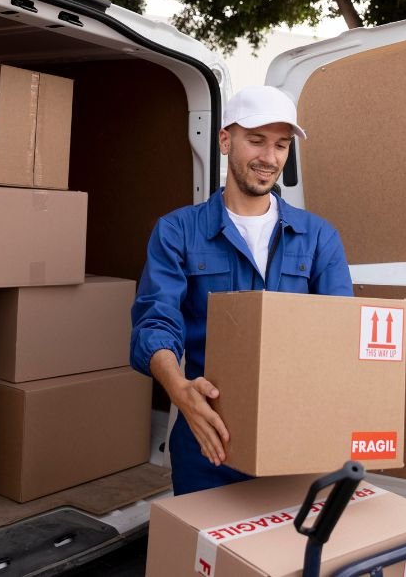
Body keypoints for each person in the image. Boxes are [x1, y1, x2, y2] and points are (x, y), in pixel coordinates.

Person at [130, 85, 352, 495]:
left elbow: (340, 332)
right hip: (208, 440)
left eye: (282, 145)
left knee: (286, 557)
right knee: (206, 559)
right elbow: (155, 321)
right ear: (225, 140)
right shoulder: (178, 231)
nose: (270, 158)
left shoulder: (319, 236)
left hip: (296, 440)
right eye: (256, 141)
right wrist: (179, 390)